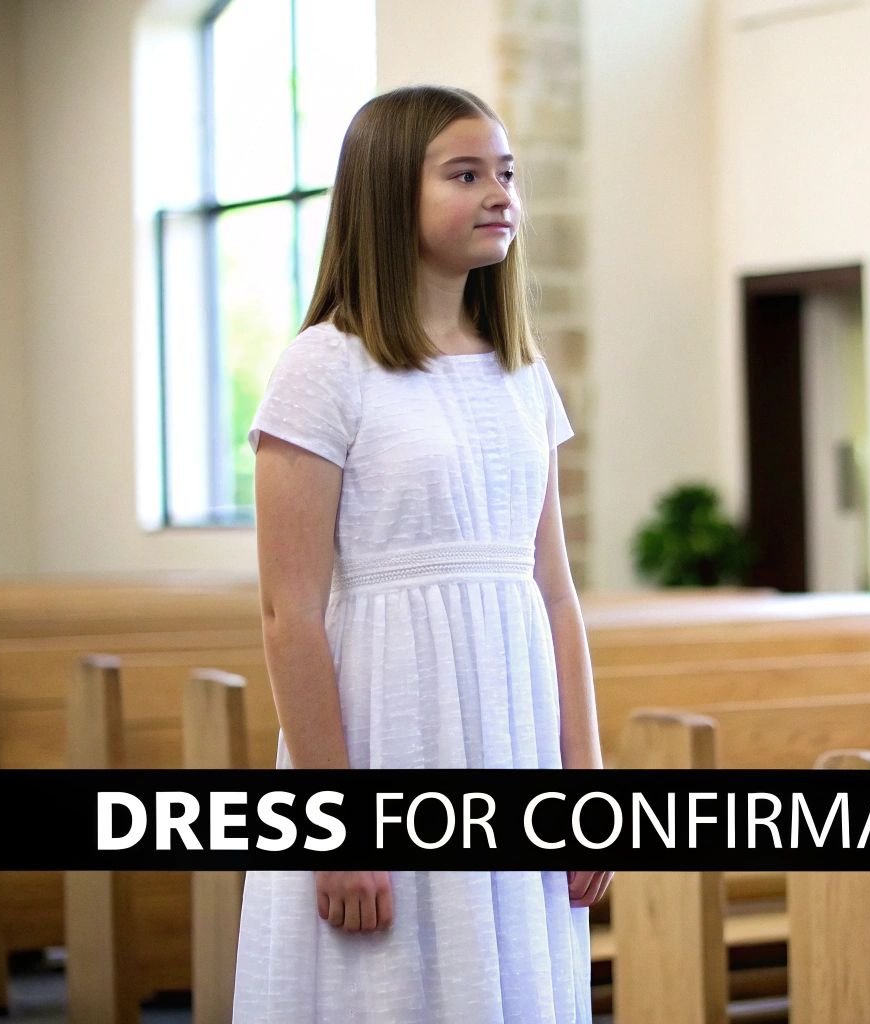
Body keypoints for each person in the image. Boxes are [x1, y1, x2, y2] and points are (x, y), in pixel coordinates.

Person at [234, 85, 609, 1023]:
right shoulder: (326, 365)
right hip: (390, 732)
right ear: (388, 193)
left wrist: (588, 778)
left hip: (512, 737)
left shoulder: (521, 370)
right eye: (466, 173)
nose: (500, 193)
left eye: (508, 173)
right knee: (390, 989)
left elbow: (555, 595)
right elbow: (289, 613)